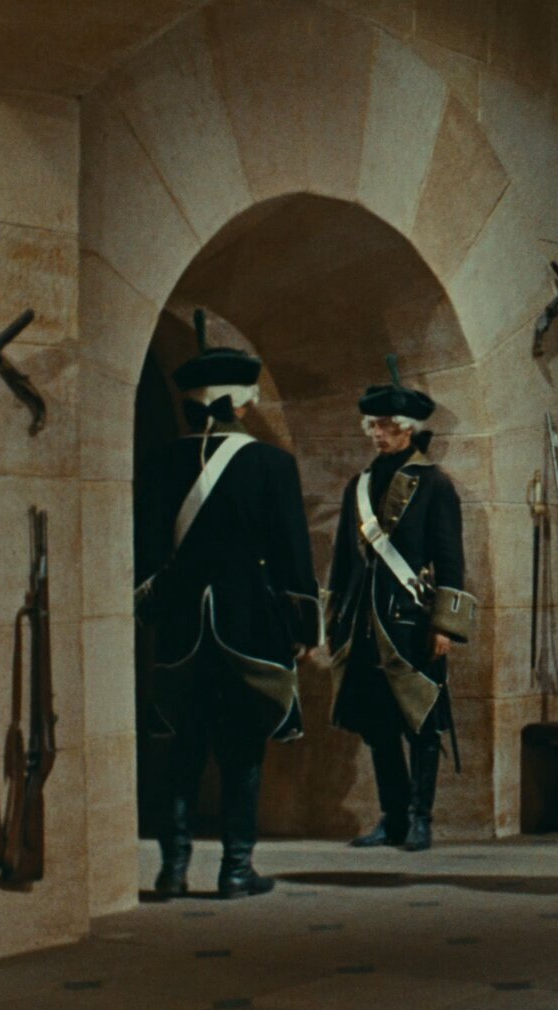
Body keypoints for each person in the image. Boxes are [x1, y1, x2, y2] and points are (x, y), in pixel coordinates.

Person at [134, 311, 320, 900]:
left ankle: (172, 871)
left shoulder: (160, 463)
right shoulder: (271, 465)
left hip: (181, 628)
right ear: (240, 404)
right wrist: (303, 625)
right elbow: (292, 554)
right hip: (249, 627)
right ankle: (236, 871)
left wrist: (154, 610)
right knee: (242, 749)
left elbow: (144, 554)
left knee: (181, 749)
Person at [326, 358, 476, 853]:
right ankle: (391, 818)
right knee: (378, 726)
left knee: (421, 723)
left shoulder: (434, 484)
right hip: (364, 624)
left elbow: (450, 560)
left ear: (408, 428)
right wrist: (334, 620)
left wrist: (445, 627)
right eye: (373, 425)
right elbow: (343, 560)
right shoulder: (358, 486)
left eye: (386, 426)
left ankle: (419, 818)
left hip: (411, 623)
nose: (377, 434)